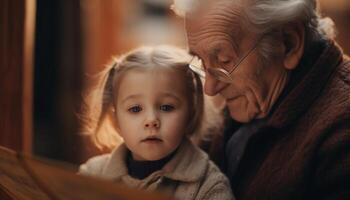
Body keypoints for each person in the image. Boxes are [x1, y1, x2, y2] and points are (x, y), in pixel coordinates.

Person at [172, 0, 350, 199]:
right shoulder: (252, 98)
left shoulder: (341, 131)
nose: (210, 88)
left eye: (224, 61)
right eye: (201, 61)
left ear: (289, 44)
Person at [78, 45, 234, 200]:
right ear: (115, 118)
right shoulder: (90, 178)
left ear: (192, 111)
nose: (151, 120)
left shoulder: (209, 187)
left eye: (166, 107)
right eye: (135, 109)